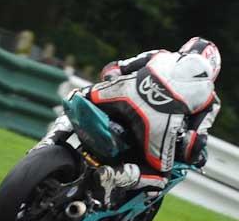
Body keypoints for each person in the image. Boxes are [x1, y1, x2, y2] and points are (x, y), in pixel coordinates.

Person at [33, 38, 220, 208]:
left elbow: (113, 69)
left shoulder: (161, 55)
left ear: (184, 49)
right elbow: (194, 141)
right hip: (157, 123)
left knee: (77, 100)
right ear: (214, 70)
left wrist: (114, 85)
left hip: (122, 92)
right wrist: (193, 155)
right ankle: (114, 175)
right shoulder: (210, 97)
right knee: (161, 177)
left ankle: (46, 143)